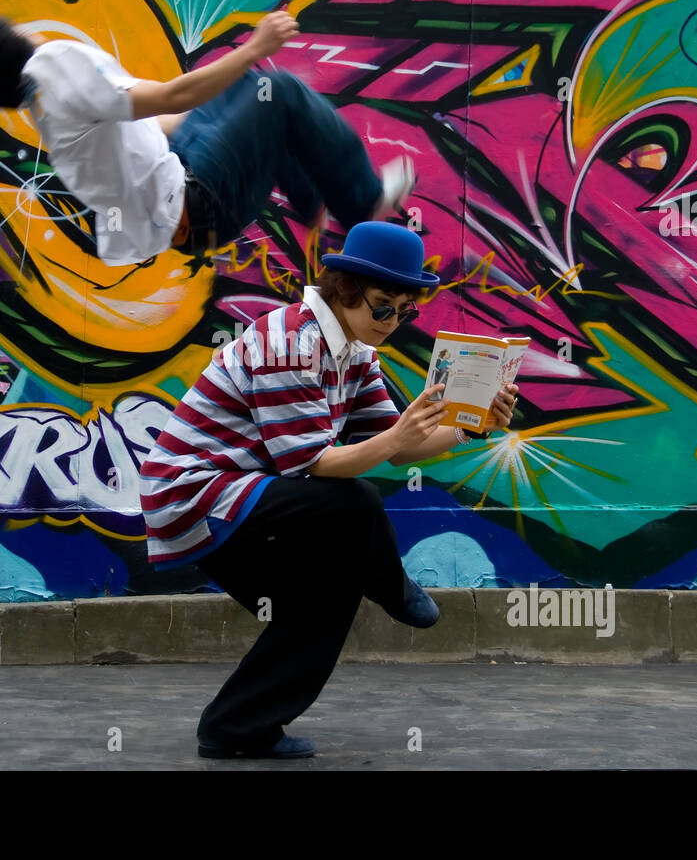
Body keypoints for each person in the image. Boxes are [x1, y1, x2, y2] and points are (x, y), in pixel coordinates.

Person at [139, 222, 521, 759]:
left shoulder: (355, 352)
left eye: (405, 310)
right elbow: (315, 465)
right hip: (195, 493)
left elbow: (398, 447)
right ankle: (394, 588)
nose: (393, 321)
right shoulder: (289, 343)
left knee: (327, 598)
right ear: (344, 290)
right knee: (353, 501)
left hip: (250, 496)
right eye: (383, 306)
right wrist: (394, 438)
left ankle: (237, 728)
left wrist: (471, 425)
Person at [0, 10, 416, 266]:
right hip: (199, 201)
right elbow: (171, 97)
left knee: (256, 94)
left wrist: (231, 100)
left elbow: (159, 124)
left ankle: (314, 204)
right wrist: (257, 45)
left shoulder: (45, 104)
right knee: (279, 90)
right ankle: (362, 204)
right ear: (7, 39)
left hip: (182, 190)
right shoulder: (57, 69)